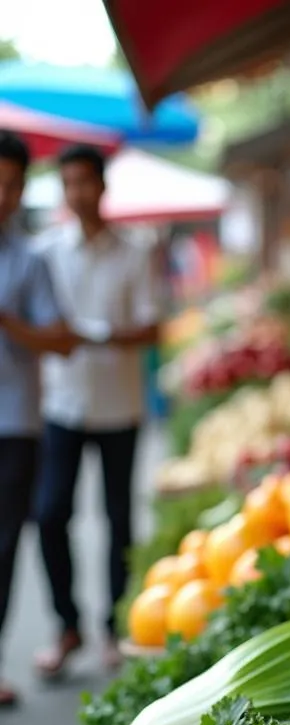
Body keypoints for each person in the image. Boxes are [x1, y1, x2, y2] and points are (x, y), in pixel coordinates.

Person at [1, 144, 162, 678]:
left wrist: (88, 334)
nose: (78, 193)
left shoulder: (135, 252)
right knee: (49, 516)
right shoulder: (45, 252)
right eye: (68, 183)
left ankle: (112, 628)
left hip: (120, 406)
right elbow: (43, 328)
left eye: (85, 182)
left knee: (119, 519)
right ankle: (66, 625)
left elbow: (152, 329)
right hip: (60, 404)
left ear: (102, 186)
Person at [0, 131, 75, 707]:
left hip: (16, 424)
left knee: (4, 547)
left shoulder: (31, 260)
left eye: (11, 185)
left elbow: (59, 340)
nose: (2, 195)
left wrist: (8, 321)